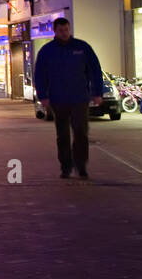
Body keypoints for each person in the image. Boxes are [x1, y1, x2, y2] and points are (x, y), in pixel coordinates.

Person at [33, 17, 103, 179]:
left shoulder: (82, 47)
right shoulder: (47, 51)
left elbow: (95, 69)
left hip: (80, 98)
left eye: (66, 30)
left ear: (69, 29)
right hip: (58, 100)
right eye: (61, 31)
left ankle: (81, 165)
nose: (64, 33)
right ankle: (65, 166)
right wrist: (43, 96)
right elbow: (40, 75)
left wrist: (97, 92)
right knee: (62, 134)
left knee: (81, 133)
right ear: (55, 31)